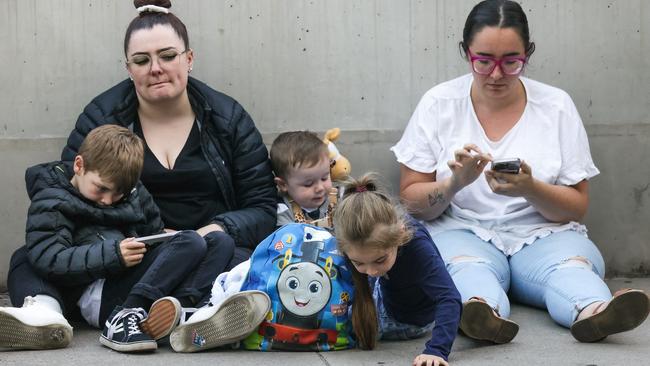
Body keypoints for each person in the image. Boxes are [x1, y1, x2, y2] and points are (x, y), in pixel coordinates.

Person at [391, 0, 649, 345]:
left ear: (528, 53)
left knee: (572, 268)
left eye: (511, 62)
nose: (496, 74)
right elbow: (410, 200)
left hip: (545, 236)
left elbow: (576, 207)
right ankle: (479, 312)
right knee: (465, 269)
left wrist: (531, 188)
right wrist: (455, 183)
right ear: (465, 53)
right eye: (483, 61)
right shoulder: (439, 103)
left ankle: (595, 311)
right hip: (461, 231)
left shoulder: (556, 105)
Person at [1, 125, 217, 352]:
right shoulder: (53, 200)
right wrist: (115, 255)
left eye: (118, 194)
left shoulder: (134, 194)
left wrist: (165, 240)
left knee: (214, 240)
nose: (107, 200)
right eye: (101, 189)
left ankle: (182, 314)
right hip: (100, 293)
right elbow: (50, 258)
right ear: (78, 165)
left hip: (135, 282)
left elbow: (152, 233)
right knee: (24, 256)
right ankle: (53, 314)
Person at [333, 174, 462, 366]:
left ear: (400, 234)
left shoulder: (416, 246)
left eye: (379, 260)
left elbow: (449, 297)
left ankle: (459, 317)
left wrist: (436, 351)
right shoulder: (354, 241)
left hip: (406, 319)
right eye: (358, 263)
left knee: (329, 325)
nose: (371, 271)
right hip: (385, 293)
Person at [270, 131, 337, 229]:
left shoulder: (338, 199)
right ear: (283, 184)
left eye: (324, 178)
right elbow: (287, 240)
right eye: (308, 184)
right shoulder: (283, 210)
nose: (320, 188)